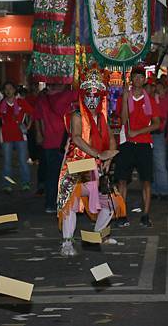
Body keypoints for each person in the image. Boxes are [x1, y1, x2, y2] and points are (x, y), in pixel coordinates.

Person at [57, 64, 124, 256]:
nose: (92, 99)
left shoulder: (102, 117)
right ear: (83, 95)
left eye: (96, 95)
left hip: (95, 167)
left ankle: (98, 235)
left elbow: (111, 139)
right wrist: (98, 154)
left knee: (112, 202)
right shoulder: (77, 115)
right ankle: (67, 242)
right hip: (77, 165)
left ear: (102, 96)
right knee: (71, 201)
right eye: (89, 94)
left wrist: (109, 157)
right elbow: (77, 138)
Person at [115, 65, 160, 228]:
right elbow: (123, 119)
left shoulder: (150, 100)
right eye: (135, 76)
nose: (138, 80)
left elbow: (157, 124)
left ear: (145, 80)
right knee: (122, 181)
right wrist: (126, 100)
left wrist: (139, 131)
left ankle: (146, 215)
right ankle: (121, 214)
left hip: (144, 144)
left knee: (146, 181)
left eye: (141, 77)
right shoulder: (123, 98)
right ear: (131, 79)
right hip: (126, 143)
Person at [35, 84, 77, 213]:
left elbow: (37, 118)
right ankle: (66, 203)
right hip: (66, 143)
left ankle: (50, 204)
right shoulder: (67, 95)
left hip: (50, 141)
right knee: (69, 174)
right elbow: (83, 91)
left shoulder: (42, 99)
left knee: (52, 175)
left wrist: (39, 134)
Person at [0, 81, 33, 192]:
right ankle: (7, 184)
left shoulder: (21, 102)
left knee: (22, 160)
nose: (8, 91)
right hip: (6, 135)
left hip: (20, 135)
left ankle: (25, 182)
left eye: (10, 88)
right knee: (7, 161)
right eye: (6, 89)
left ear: (14, 90)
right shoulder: (1, 104)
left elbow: (32, 113)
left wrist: (28, 127)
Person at [151, 79, 168, 200]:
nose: (157, 90)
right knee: (153, 163)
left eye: (159, 88)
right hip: (150, 133)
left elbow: (165, 118)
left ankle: (163, 190)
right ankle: (155, 189)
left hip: (159, 133)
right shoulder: (152, 100)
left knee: (160, 163)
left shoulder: (165, 100)